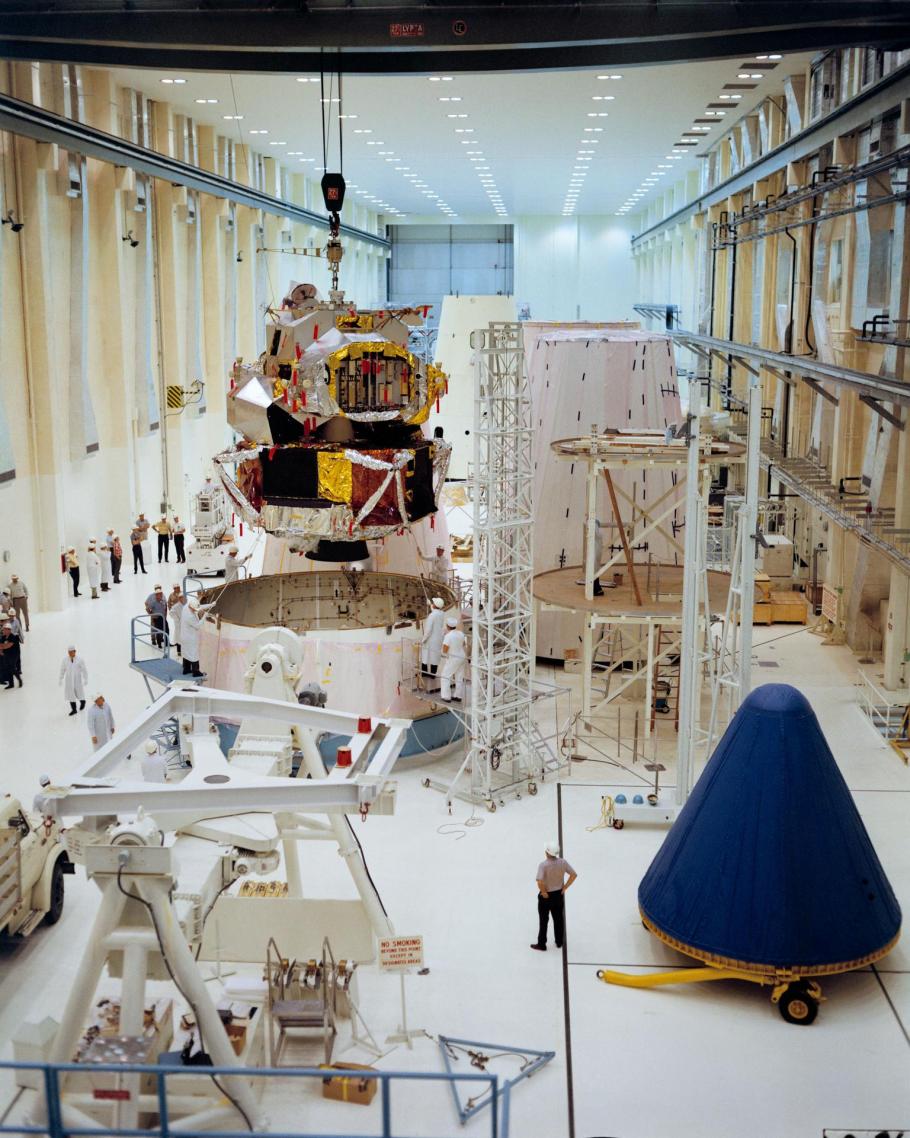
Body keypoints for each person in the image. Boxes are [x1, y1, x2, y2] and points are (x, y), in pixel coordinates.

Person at [531, 841, 577, 952]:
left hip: (546, 896)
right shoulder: (563, 862)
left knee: (543, 921)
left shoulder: (543, 865)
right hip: (558, 895)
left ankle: (542, 944)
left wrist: (544, 892)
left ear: (547, 852)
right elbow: (573, 875)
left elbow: (540, 882)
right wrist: (565, 887)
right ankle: (559, 941)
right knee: (558, 919)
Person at [180, 596, 212, 676]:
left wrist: (211, 605)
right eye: (194, 610)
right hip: (190, 638)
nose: (195, 611)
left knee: (186, 652)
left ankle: (186, 669)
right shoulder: (189, 616)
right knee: (194, 654)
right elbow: (198, 626)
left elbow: (199, 607)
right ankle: (196, 671)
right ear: (191, 608)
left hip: (184, 636)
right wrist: (204, 616)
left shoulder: (186, 606)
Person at [439, 616, 467, 703]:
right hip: (462, 656)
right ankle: (458, 696)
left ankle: (446, 696)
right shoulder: (461, 633)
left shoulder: (448, 636)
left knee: (445, 676)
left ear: (447, 626)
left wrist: (443, 655)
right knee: (459, 676)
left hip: (453, 658)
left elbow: (445, 649)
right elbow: (463, 644)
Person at [421, 596, 447, 676]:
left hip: (430, 640)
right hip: (438, 639)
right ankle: (433, 675)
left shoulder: (431, 616)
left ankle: (424, 674)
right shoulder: (441, 614)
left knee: (425, 656)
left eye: (433, 603)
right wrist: (430, 605)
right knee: (435, 657)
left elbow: (428, 630)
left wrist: (423, 640)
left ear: (435, 605)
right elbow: (436, 611)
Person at [60, 646, 88, 714]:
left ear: (75, 651)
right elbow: (62, 670)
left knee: (80, 693)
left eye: (71, 652)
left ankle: (83, 702)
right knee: (71, 695)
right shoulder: (65, 660)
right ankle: (74, 709)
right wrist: (60, 678)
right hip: (69, 680)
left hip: (77, 680)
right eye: (69, 652)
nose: (70, 653)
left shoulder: (80, 660)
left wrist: (85, 679)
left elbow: (84, 670)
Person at [145, 584, 169, 650]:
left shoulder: (163, 595)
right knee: (154, 628)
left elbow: (165, 605)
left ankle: (160, 639)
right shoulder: (151, 596)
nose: (158, 589)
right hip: (155, 616)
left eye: (159, 588)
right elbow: (146, 604)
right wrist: (151, 614)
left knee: (162, 628)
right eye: (157, 588)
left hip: (162, 616)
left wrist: (165, 614)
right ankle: (153, 639)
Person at [0, 622, 21, 688]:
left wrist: (2, 647)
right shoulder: (3, 637)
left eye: (5, 629)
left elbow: (8, 645)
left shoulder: (13, 636)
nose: (4, 631)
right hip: (6, 654)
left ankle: (19, 679)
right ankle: (11, 684)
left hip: (14, 654)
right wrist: (1, 649)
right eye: (3, 629)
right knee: (7, 668)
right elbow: (1, 645)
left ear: (9, 630)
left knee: (12, 668)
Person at [167, 584, 185, 655]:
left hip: (185, 623)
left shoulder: (185, 604)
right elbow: (171, 612)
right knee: (178, 636)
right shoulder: (175, 605)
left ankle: (184, 649)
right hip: (178, 623)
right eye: (181, 598)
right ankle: (179, 651)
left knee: (184, 636)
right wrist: (177, 620)